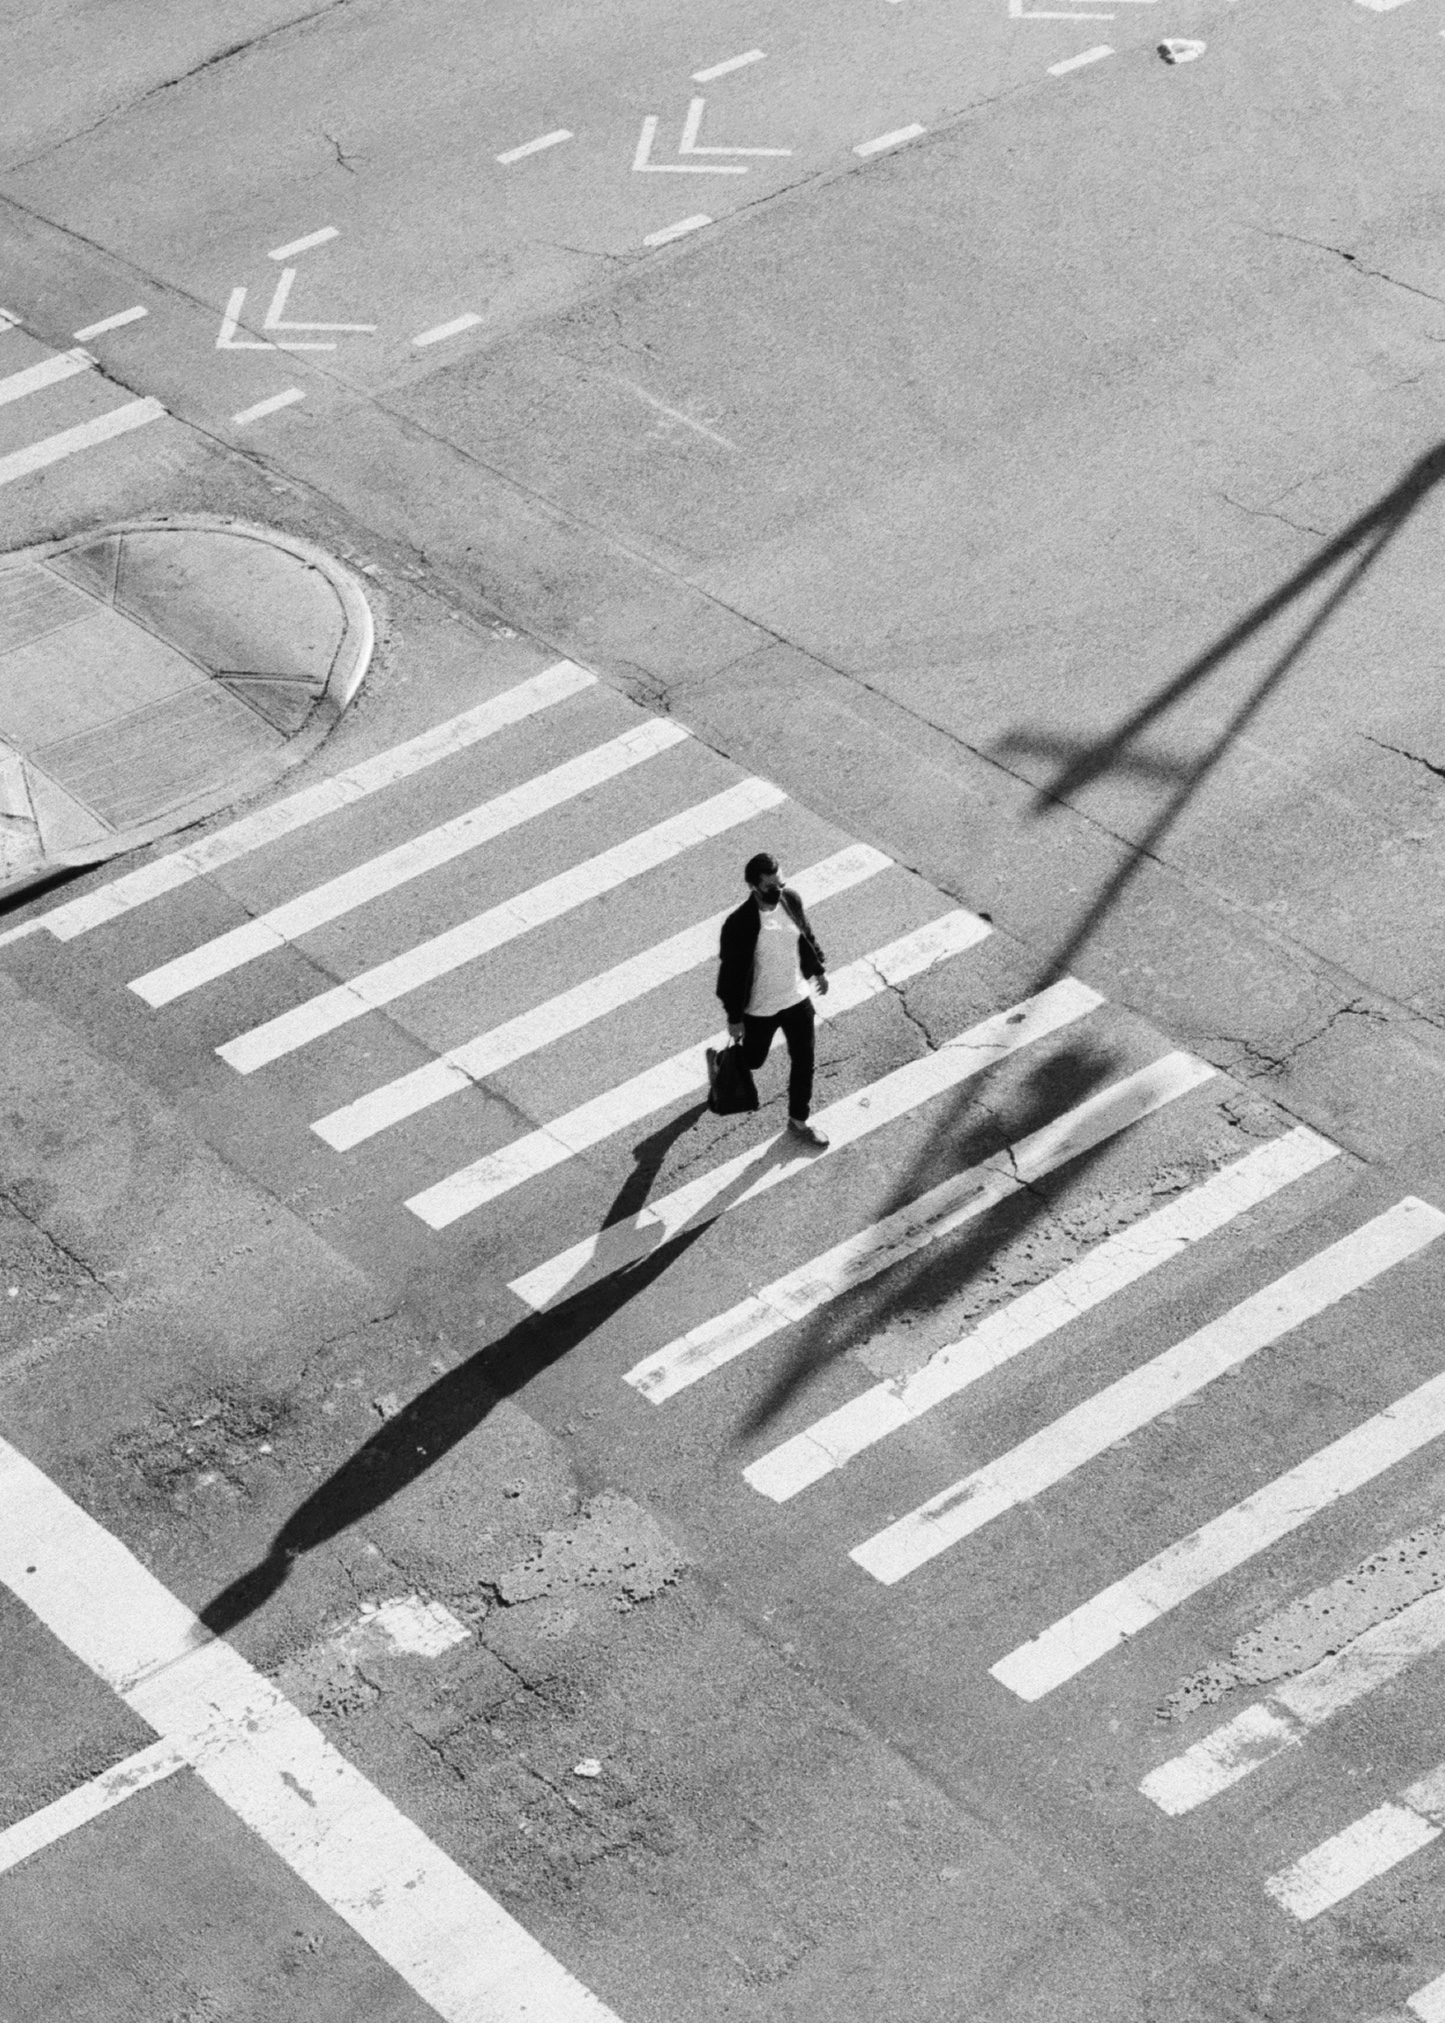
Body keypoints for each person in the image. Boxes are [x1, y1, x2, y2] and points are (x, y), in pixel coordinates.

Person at [709, 852, 830, 1148]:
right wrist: (734, 1018)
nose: (778, 891)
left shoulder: (790, 900)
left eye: (781, 883)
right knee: (752, 1060)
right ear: (753, 886)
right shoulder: (739, 924)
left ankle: (799, 1120)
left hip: (796, 999)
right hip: (760, 1008)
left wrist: (817, 970)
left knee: (805, 1060)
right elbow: (730, 977)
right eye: (770, 887)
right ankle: (720, 1063)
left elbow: (805, 935)